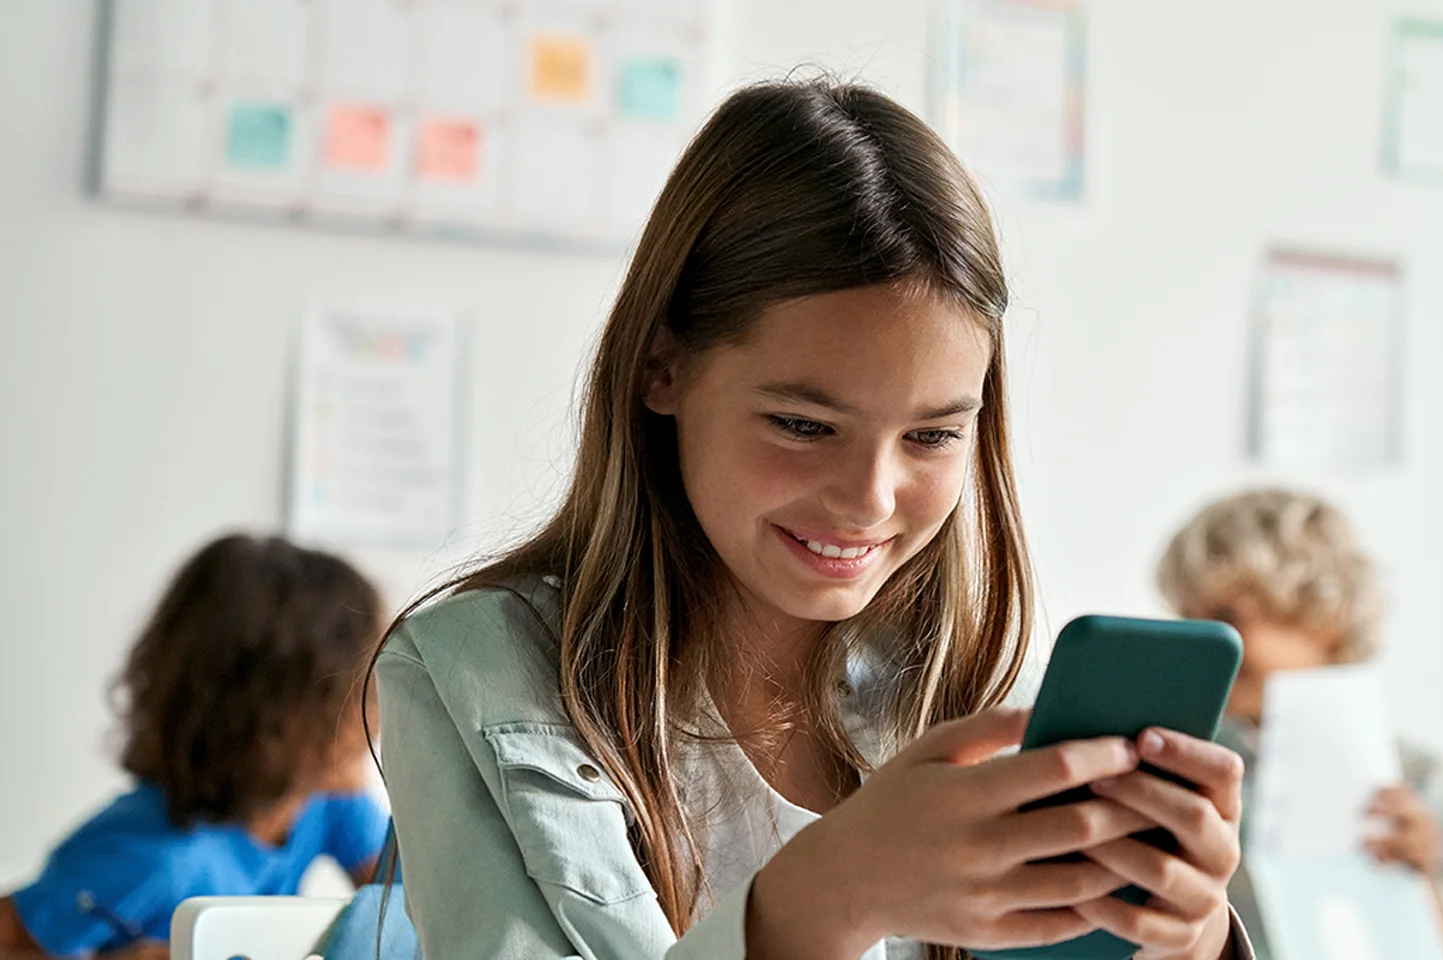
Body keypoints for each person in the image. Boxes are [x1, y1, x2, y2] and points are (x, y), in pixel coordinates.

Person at [376, 78, 1254, 960]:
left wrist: (1188, 939)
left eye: (933, 434)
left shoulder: (995, 697)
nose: (871, 498)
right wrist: (828, 892)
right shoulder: (474, 673)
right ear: (661, 369)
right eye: (803, 426)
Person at [0, 534, 391, 959]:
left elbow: (416, 914)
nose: (382, 707)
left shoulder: (326, 802)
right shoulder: (150, 856)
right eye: (360, 688)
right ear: (274, 719)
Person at [1157, 488, 1443, 960]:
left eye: (1224, 618)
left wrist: (1426, 880)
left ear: (1324, 618)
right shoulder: (1180, 762)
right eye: (1186, 618)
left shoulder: (1425, 785)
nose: (1202, 642)